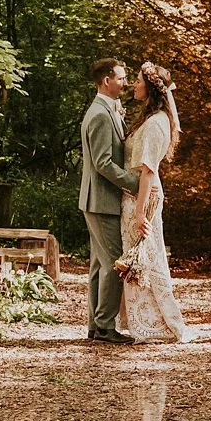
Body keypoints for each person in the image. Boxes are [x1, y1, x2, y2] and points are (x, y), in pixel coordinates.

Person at [119, 61, 186, 343]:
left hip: (142, 197)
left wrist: (139, 213)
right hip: (135, 194)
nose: (133, 85)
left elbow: (148, 170)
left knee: (146, 259)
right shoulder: (149, 119)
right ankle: (140, 321)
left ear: (150, 88)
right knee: (137, 259)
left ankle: (159, 324)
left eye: (137, 81)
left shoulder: (158, 123)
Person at [79, 58, 139, 345]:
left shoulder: (107, 110)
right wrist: (134, 184)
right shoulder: (100, 114)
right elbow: (103, 163)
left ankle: (95, 325)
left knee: (99, 265)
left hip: (97, 200)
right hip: (101, 200)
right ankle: (105, 327)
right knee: (115, 263)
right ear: (106, 80)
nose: (125, 83)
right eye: (121, 78)